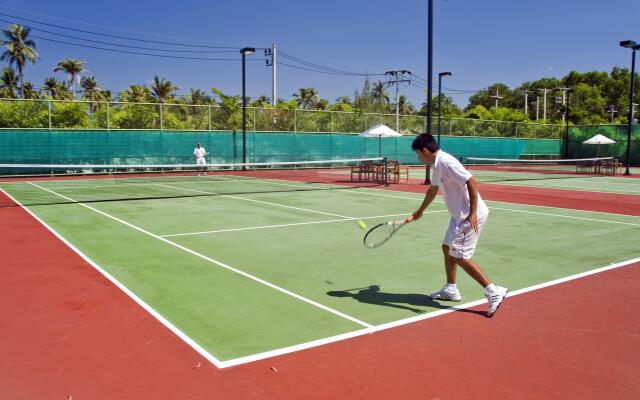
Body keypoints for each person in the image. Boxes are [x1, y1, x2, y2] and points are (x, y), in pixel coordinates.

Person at [410, 133, 507, 317]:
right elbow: (433, 189)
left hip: (469, 216)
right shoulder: (436, 165)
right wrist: (420, 211)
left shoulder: (446, 161)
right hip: (458, 216)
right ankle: (451, 289)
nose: (418, 158)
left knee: (460, 256)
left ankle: (494, 291)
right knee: (447, 248)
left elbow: (471, 180)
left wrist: (472, 212)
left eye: (418, 154)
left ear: (425, 150)